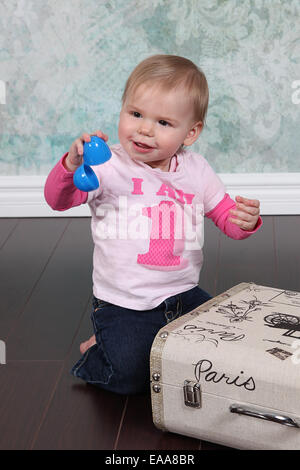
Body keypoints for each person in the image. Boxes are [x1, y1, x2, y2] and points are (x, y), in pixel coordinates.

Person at [44, 55, 262, 395]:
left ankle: (126, 342)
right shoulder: (108, 166)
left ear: (190, 133)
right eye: (135, 114)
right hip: (125, 302)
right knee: (131, 377)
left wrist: (244, 220)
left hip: (183, 293)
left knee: (226, 343)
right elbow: (58, 200)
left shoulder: (196, 170)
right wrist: (71, 166)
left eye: (163, 122)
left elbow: (225, 217)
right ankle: (99, 352)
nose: (145, 129)